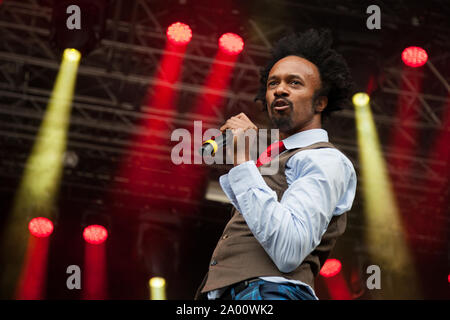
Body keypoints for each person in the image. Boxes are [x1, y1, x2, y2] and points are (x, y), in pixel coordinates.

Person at [195, 29, 357, 300]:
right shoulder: (271, 159)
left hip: (271, 293)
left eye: (294, 83)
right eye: (273, 84)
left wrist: (243, 161)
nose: (280, 89)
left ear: (320, 102)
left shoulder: (324, 159)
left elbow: (289, 250)